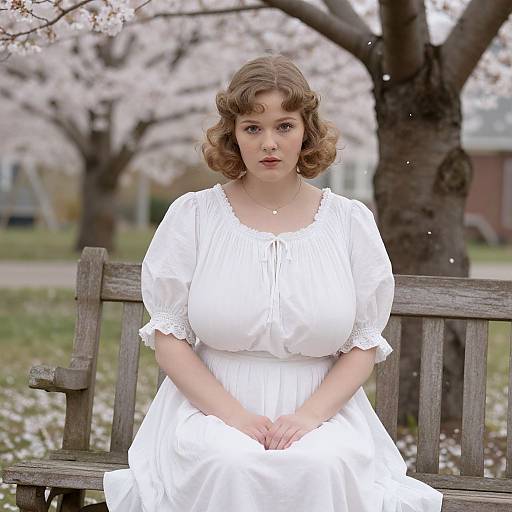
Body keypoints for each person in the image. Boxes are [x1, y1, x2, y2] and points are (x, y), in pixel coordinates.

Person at [103, 54, 443, 511]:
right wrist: (236, 418)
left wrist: (307, 418)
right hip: (210, 410)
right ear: (232, 134)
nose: (269, 143)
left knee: (320, 465)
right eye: (252, 128)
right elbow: (170, 340)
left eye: (284, 126)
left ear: (306, 132)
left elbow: (363, 345)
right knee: (232, 464)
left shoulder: (348, 222)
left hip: (322, 413)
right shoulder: (194, 216)